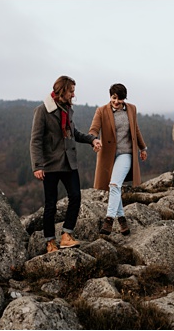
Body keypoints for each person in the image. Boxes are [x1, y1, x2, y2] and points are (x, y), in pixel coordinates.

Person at [30, 75, 103, 253]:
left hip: (69, 163)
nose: (73, 94)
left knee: (76, 197)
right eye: (71, 90)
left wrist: (92, 140)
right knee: (51, 204)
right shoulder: (43, 111)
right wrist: (37, 165)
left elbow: (74, 133)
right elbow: (35, 140)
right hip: (50, 164)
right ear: (63, 91)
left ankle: (66, 235)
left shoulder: (67, 109)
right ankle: (50, 242)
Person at [89, 83, 148, 236]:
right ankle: (122, 221)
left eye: (120, 99)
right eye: (114, 98)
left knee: (114, 185)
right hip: (108, 155)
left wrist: (143, 148)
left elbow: (136, 129)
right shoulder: (101, 111)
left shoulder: (131, 109)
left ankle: (108, 220)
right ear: (110, 96)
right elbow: (94, 129)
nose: (116, 101)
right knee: (115, 186)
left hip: (126, 153)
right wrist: (94, 140)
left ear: (124, 99)